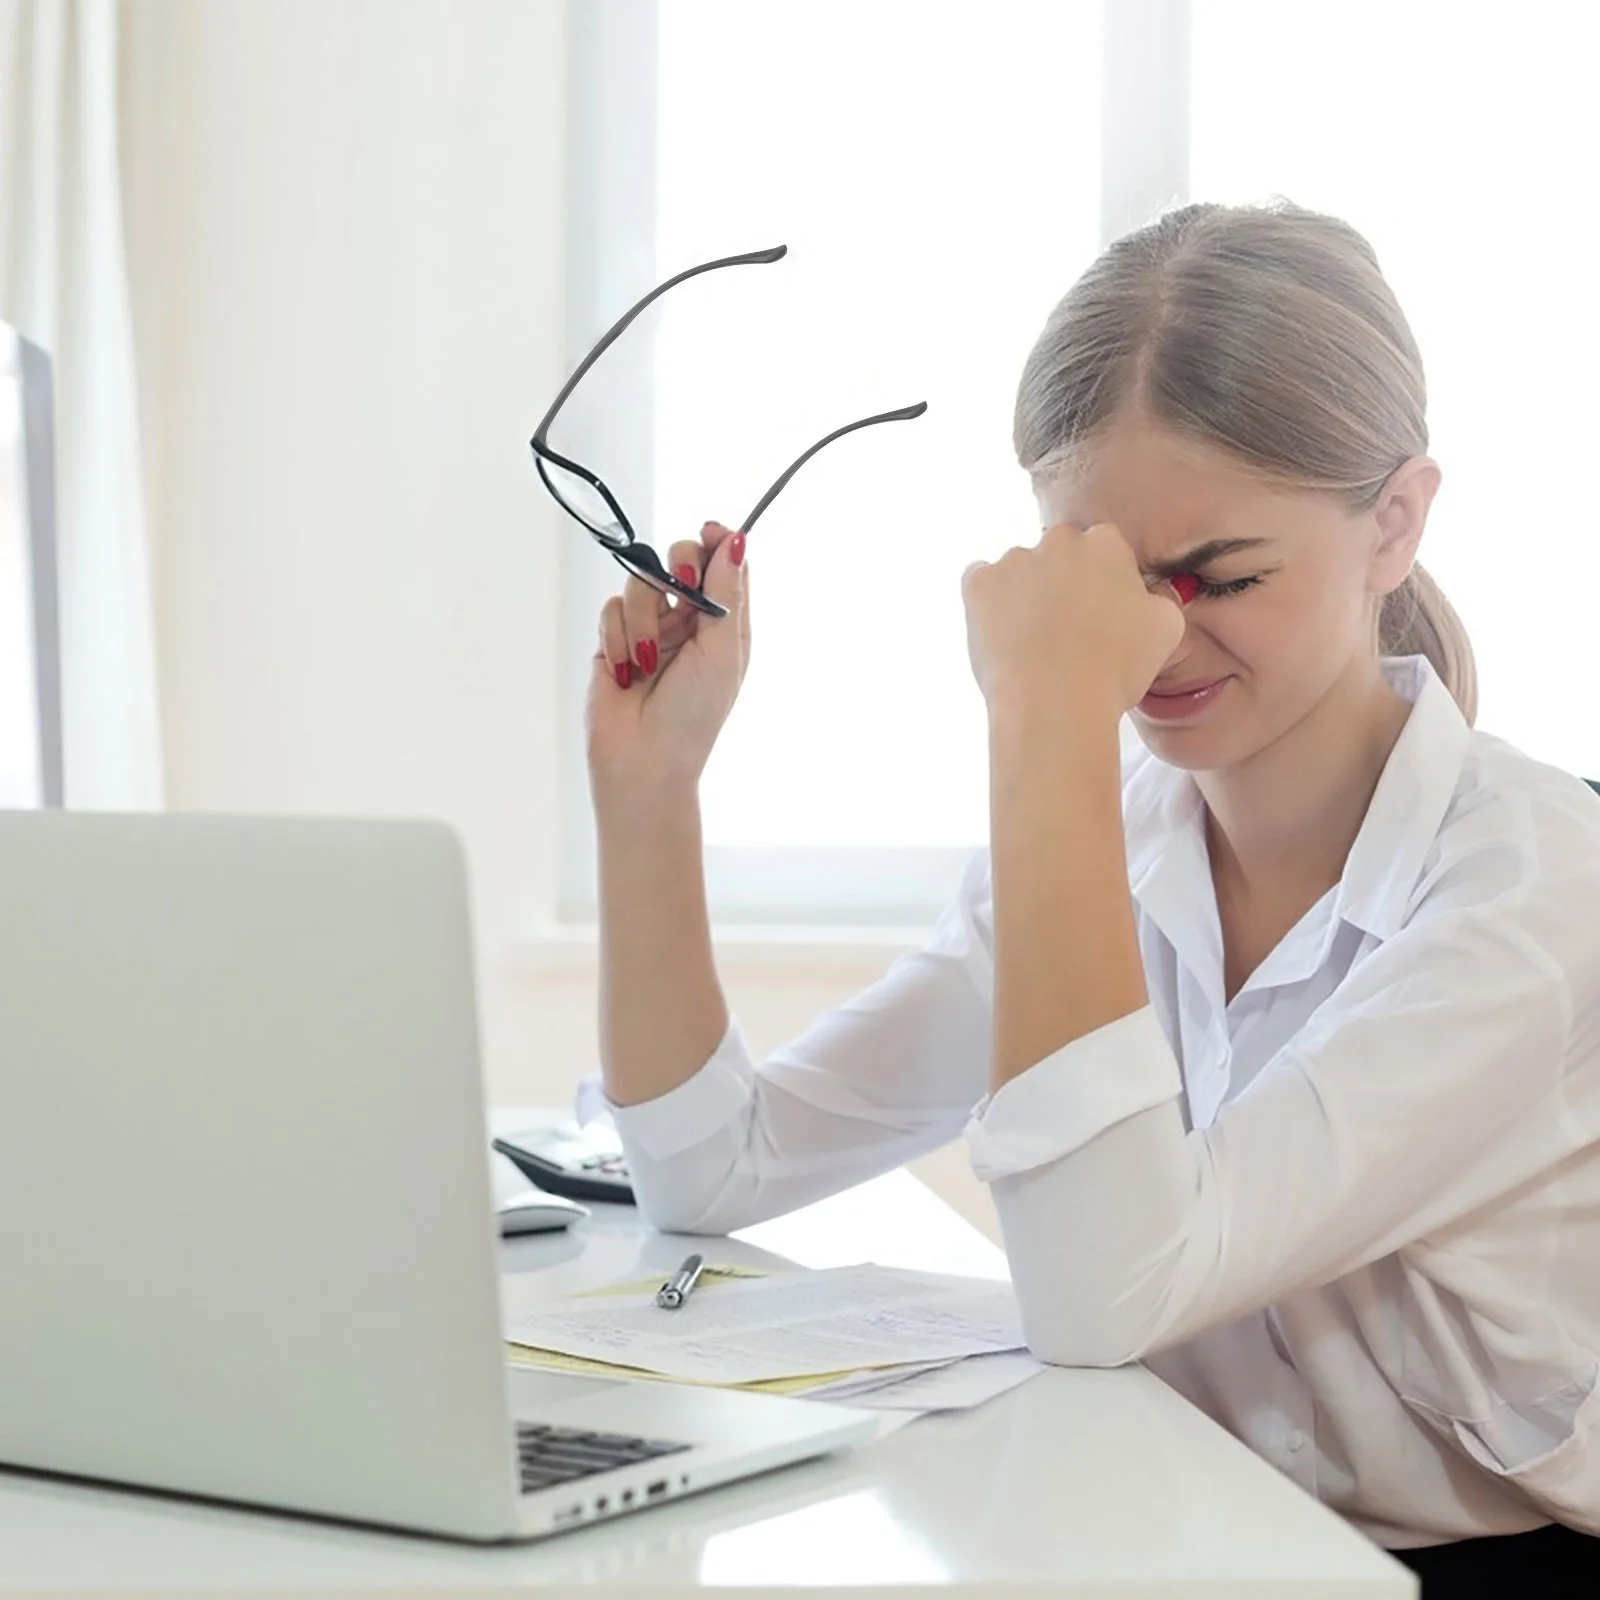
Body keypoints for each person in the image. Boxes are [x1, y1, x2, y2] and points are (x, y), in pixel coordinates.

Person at [580, 198, 1600, 1597]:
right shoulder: (1114, 839)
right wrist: (651, 799)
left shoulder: (1532, 896)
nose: (1151, 637)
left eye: (1219, 575)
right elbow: (712, 1168)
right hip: (1179, 1538)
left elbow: (1103, 1289)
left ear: (1395, 525)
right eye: (1104, 580)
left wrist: (1044, 724)